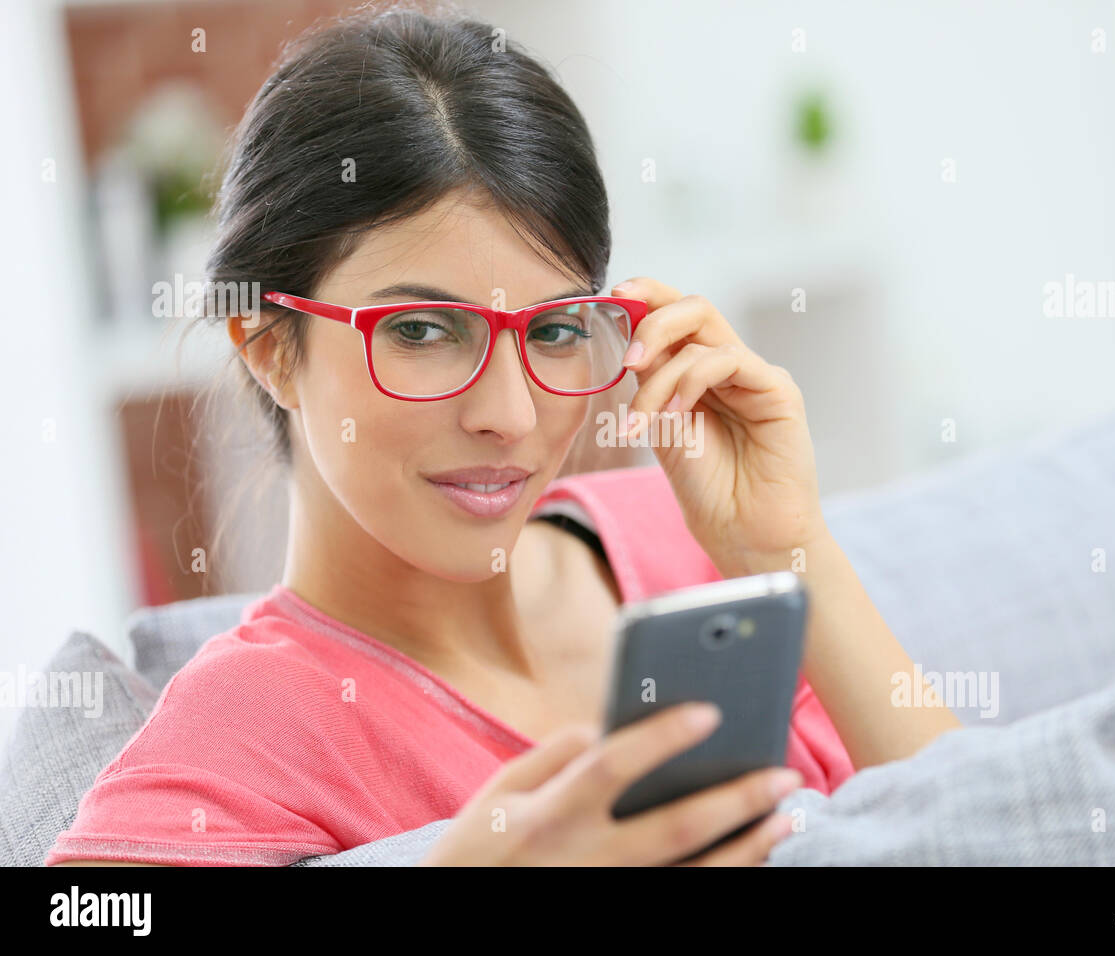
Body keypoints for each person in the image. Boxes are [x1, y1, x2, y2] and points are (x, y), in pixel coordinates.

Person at [47, 4, 960, 867]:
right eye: (421, 331)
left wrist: (791, 549)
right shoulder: (248, 727)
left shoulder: (688, 533)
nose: (511, 415)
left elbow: (990, 833)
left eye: (556, 330)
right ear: (269, 348)